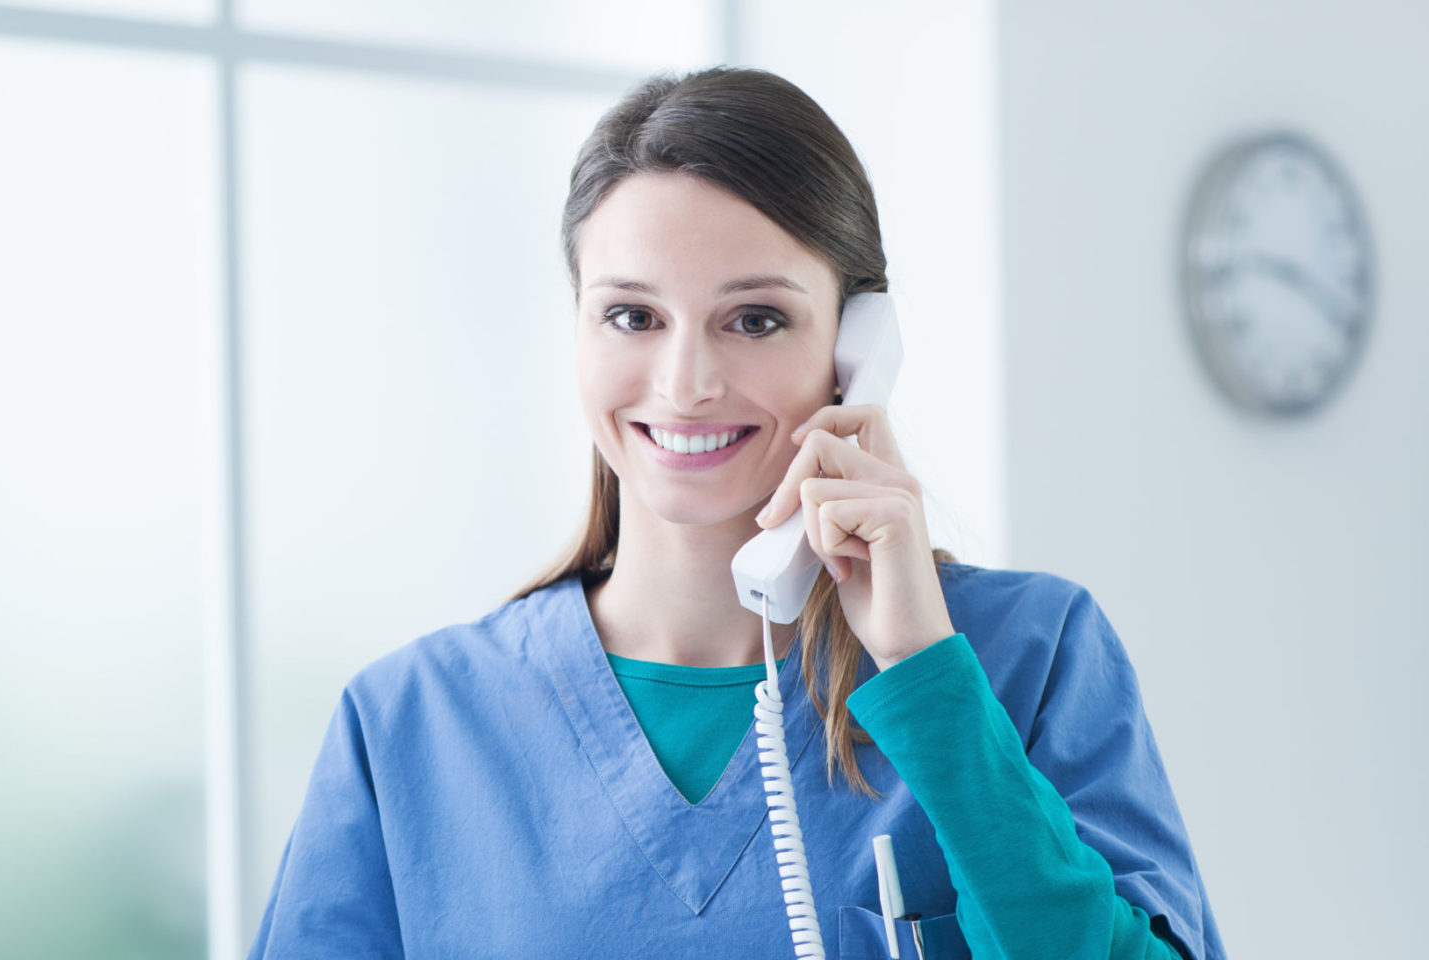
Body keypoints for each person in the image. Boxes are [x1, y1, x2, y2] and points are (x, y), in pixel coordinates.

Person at [247, 65, 1225, 960]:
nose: (685, 382)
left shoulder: (1029, 656)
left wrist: (927, 677)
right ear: (577, 329)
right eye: (631, 315)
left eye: (753, 319)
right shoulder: (408, 726)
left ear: (854, 345)